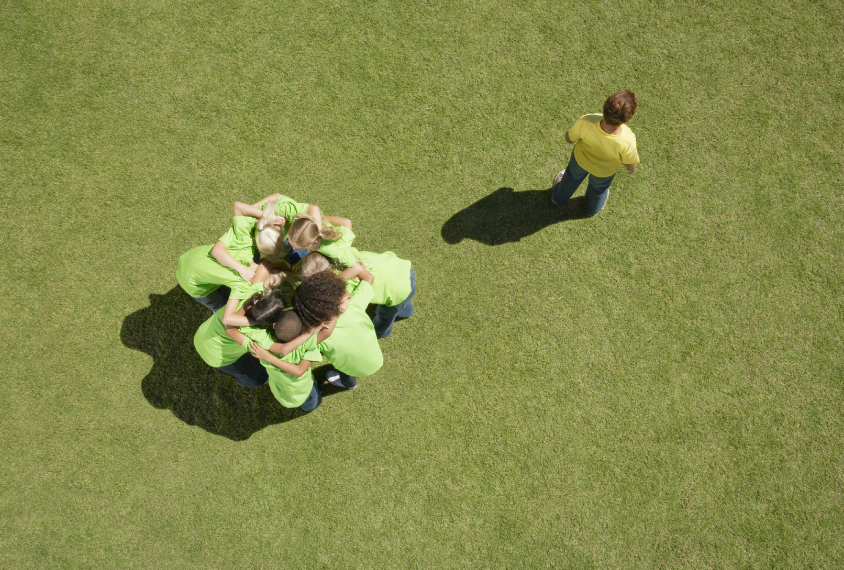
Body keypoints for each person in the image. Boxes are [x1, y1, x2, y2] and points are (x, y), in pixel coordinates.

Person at [551, 90, 640, 216]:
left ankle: (558, 198)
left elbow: (569, 139)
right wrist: (631, 168)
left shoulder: (587, 121)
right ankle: (592, 210)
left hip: (579, 161)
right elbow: (630, 163)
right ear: (627, 119)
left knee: (570, 177)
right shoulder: (628, 140)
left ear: (603, 107)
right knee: (599, 190)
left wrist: (568, 136)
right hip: (604, 172)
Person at [299, 251, 414, 339]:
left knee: (384, 318)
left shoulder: (345, 287)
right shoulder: (344, 255)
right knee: (399, 305)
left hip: (399, 289)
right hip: (402, 268)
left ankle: (379, 333)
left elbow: (350, 308)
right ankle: (405, 310)